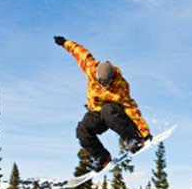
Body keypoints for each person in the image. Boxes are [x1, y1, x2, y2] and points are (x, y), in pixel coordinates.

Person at [54, 36, 152, 172]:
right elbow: (80, 53)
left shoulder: (121, 86)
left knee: (108, 109)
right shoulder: (91, 68)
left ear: (112, 79)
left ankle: (132, 138)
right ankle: (102, 156)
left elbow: (130, 107)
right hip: (97, 112)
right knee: (82, 130)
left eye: (107, 83)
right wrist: (65, 43)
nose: (104, 86)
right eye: (101, 82)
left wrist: (144, 131)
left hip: (116, 115)